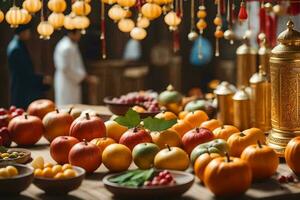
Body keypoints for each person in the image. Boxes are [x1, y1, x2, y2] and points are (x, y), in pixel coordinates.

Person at [7, 24, 51, 109]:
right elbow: (24, 74)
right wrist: (42, 79)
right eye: (28, 30)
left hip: (22, 87)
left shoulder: (18, 45)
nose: (29, 33)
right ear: (22, 32)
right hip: (22, 90)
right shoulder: (16, 49)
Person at [54, 29, 95, 106]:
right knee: (66, 105)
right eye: (78, 33)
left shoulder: (71, 45)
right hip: (66, 81)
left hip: (72, 81)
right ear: (71, 34)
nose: (79, 36)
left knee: (73, 105)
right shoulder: (66, 47)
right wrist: (84, 77)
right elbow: (65, 68)